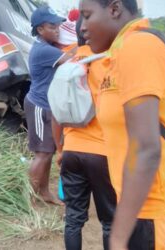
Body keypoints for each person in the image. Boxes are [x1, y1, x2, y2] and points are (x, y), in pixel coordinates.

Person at [79, 0, 165, 249]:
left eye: (87, 16)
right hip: (151, 212)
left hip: (164, 213)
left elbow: (146, 149)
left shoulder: (138, 47)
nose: (82, 27)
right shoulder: (119, 53)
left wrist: (118, 237)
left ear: (115, 9)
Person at [53, 17, 116, 250]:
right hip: (103, 153)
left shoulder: (67, 65)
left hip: (72, 151)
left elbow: (55, 114)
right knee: (110, 221)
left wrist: (60, 150)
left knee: (73, 219)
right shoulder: (108, 62)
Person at [24, 6, 73, 205]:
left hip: (47, 106)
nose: (57, 30)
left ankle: (44, 193)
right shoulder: (45, 51)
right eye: (52, 26)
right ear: (40, 29)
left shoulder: (47, 47)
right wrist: (83, 44)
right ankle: (29, 199)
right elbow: (74, 61)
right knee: (42, 154)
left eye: (58, 26)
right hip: (39, 106)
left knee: (48, 153)